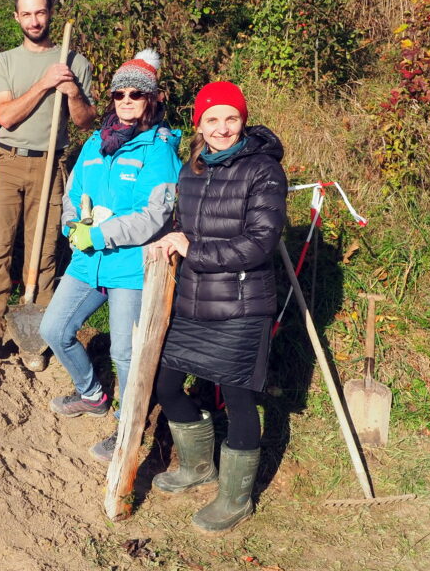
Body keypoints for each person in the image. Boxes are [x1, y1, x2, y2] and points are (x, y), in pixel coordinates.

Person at [149, 81, 287, 534]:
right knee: (168, 386)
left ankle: (235, 498)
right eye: (213, 119)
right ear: (199, 125)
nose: (222, 128)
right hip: (192, 301)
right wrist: (168, 244)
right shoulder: (191, 170)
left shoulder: (263, 171)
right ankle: (197, 466)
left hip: (241, 305)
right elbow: (182, 226)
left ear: (243, 121)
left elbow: (260, 244)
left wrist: (192, 250)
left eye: (231, 119)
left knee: (241, 400)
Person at [39, 50, 181, 461]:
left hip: (130, 267)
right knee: (54, 330)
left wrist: (98, 234)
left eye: (137, 93)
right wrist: (71, 227)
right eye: (120, 93)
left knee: (124, 352)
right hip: (87, 261)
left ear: (151, 99)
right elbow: (73, 193)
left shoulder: (159, 150)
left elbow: (153, 215)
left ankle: (127, 427)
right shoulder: (95, 145)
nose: (127, 100)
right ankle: (92, 394)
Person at [0, 0, 97, 369]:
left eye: (40, 13)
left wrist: (72, 90)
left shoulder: (76, 61)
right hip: (8, 161)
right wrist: (44, 83)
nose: (34, 21)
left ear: (50, 13)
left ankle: (34, 337)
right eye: (27, 15)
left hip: (51, 164)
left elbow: (85, 122)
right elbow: (5, 116)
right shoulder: (3, 61)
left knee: (42, 253)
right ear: (16, 18)